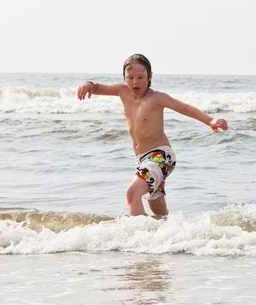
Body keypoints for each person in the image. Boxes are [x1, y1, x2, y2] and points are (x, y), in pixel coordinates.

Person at [76, 54, 228, 217]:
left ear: (150, 77)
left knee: (132, 193)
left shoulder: (157, 98)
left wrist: (210, 120)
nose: (135, 82)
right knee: (158, 210)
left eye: (141, 77)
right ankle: (172, 233)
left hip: (160, 156)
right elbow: (98, 87)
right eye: (130, 77)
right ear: (124, 78)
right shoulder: (122, 91)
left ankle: (140, 236)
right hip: (142, 159)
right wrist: (89, 84)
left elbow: (184, 108)